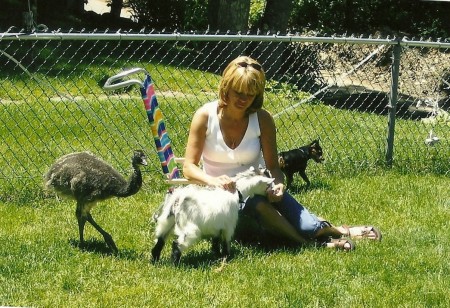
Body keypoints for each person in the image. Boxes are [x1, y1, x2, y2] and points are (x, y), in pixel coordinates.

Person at [182, 55, 381, 251]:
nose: (243, 99)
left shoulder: (262, 119)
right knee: (257, 206)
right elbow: (188, 167)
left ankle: (340, 230)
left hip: (259, 186)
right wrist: (212, 181)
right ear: (226, 87)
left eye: (250, 94)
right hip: (222, 198)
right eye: (238, 92)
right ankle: (310, 245)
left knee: (308, 226)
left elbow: (273, 167)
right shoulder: (205, 116)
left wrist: (277, 185)